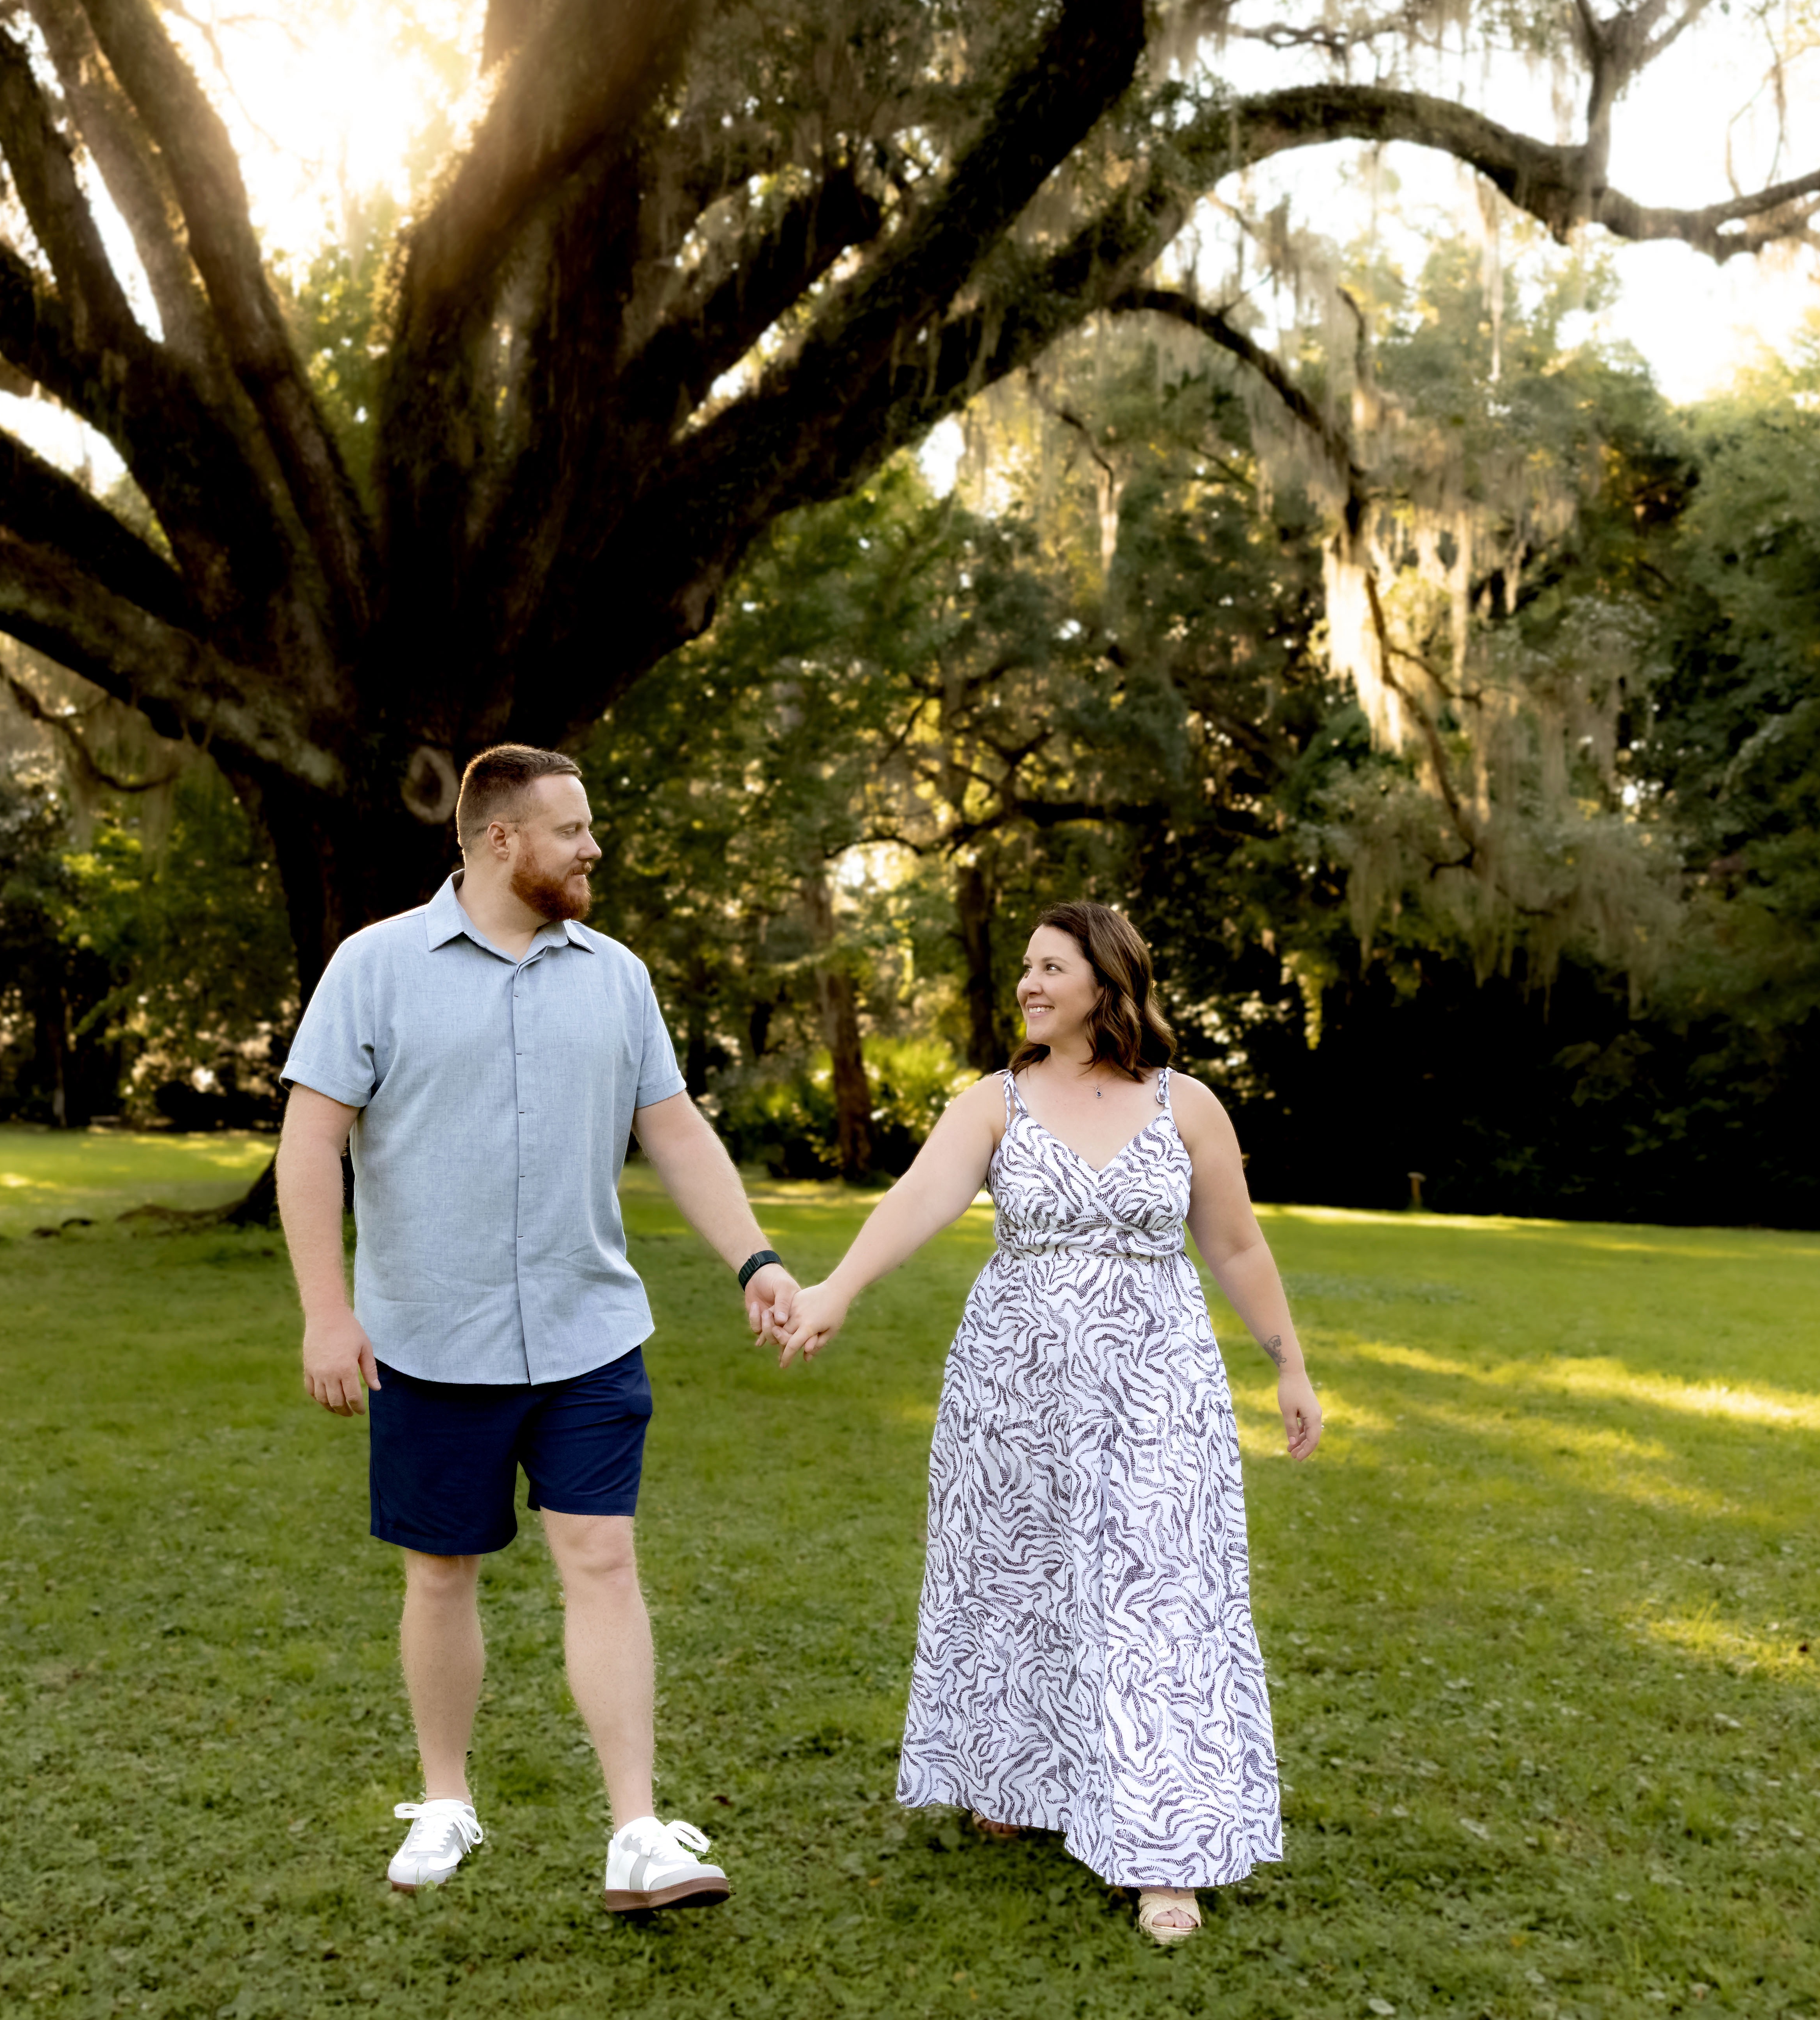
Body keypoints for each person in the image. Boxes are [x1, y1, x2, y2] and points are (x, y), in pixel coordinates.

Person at [276, 743, 802, 1914]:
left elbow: (671, 1130)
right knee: (442, 1569)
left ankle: (636, 1830)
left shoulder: (615, 975)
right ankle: (447, 1796)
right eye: (572, 829)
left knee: (602, 1559)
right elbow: (310, 1142)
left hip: (588, 1330)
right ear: (501, 840)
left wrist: (755, 1258)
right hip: (428, 1335)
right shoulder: (374, 967)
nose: (592, 847)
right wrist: (327, 1309)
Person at [772, 900, 1322, 1944]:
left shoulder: (1186, 1105)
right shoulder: (996, 1100)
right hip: (1013, 1389)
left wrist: (1288, 1364)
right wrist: (834, 1287)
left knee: (1156, 1599)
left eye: (1050, 968)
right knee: (1017, 1577)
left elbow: (1238, 1248)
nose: (1027, 984)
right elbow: (918, 1200)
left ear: (1107, 986)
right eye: (1024, 967)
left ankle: (1165, 1848)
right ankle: (1016, 1776)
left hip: (1155, 1389)